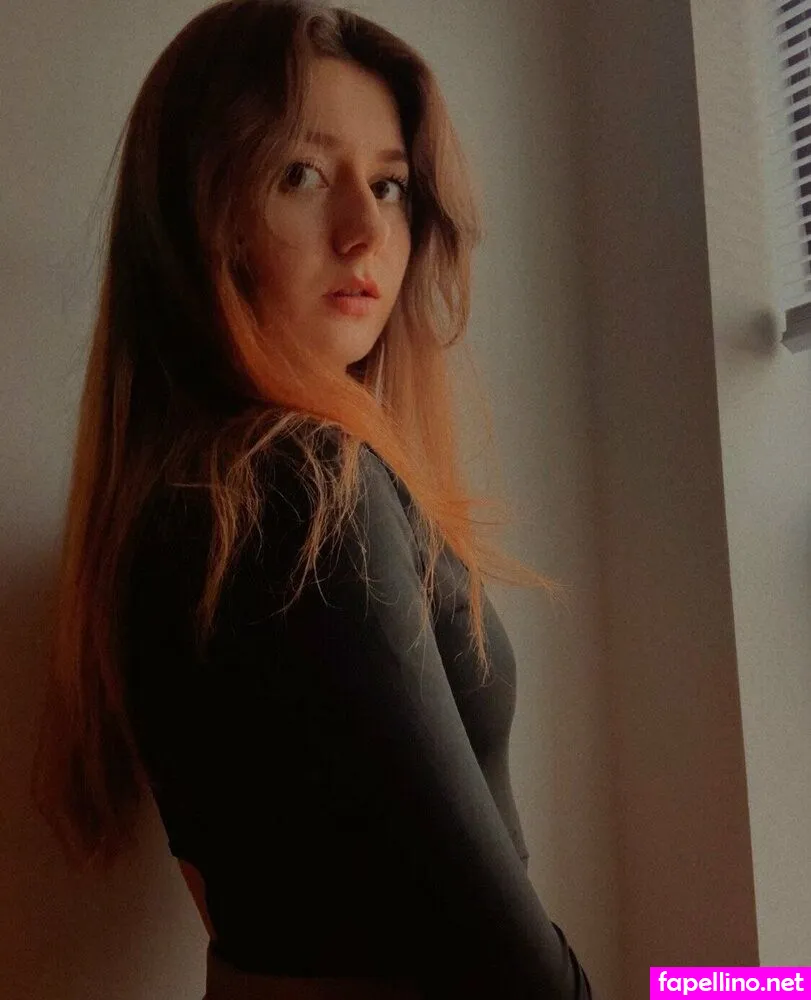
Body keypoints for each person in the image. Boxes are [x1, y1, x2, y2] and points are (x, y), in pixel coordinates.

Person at [31, 1, 595, 997]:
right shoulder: (297, 484)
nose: (364, 231)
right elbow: (509, 970)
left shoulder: (191, 490)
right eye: (300, 173)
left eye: (389, 185)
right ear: (198, 210)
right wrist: (734, 985)